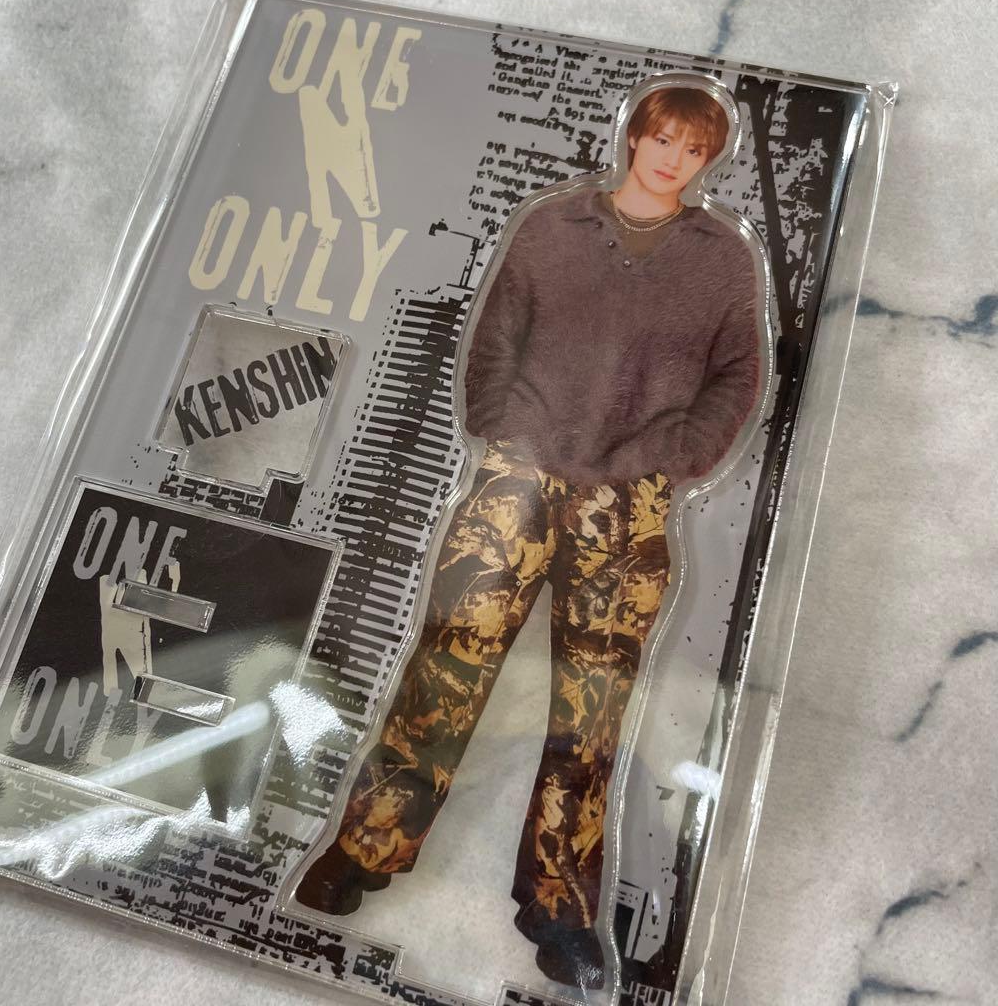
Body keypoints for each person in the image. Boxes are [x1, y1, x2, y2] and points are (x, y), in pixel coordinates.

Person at [294, 81, 762, 990]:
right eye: (662, 139)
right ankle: (364, 849)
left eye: (693, 149)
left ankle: (560, 908)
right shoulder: (554, 227)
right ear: (633, 137)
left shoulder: (720, 259)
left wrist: (671, 458)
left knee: (591, 711)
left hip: (628, 506)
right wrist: (506, 433)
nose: (672, 159)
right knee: (446, 668)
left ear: (708, 161)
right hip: (518, 484)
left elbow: (738, 375)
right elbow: (495, 339)